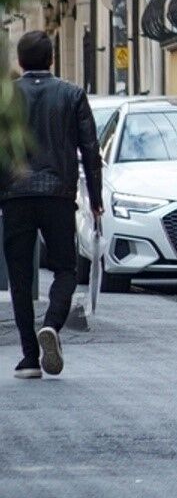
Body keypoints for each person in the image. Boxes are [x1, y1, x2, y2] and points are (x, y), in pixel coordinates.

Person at [1, 31, 103, 379]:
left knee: (19, 276)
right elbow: (90, 150)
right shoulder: (72, 94)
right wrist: (97, 201)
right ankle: (53, 326)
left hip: (14, 195)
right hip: (58, 194)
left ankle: (30, 357)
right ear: (51, 60)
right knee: (65, 269)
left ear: (20, 61)